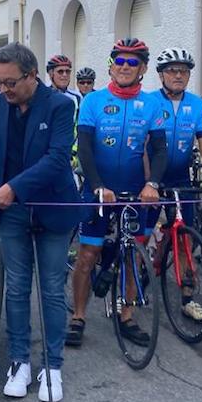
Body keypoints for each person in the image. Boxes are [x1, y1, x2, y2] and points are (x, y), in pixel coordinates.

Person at [0, 43, 81, 402]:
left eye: (10, 83)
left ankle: (52, 366)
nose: (4, 89)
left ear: (32, 75)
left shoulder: (60, 105)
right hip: (11, 212)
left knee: (52, 289)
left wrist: (14, 187)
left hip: (52, 207)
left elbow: (57, 159)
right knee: (17, 287)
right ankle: (19, 361)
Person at [67, 37, 166, 348]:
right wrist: (98, 185)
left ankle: (127, 316)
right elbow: (84, 148)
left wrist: (152, 184)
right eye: (119, 61)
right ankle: (78, 316)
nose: (124, 67)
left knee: (132, 256)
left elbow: (160, 150)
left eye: (132, 62)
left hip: (135, 191)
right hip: (98, 188)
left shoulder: (152, 104)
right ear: (111, 67)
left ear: (143, 68)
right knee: (88, 254)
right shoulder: (93, 101)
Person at [145, 48, 202, 320]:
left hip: (181, 178)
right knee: (141, 235)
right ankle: (130, 286)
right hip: (150, 178)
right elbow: (143, 145)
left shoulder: (196, 104)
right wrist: (148, 183)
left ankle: (187, 298)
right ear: (161, 75)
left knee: (184, 239)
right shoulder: (149, 102)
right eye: (172, 71)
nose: (178, 75)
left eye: (183, 71)